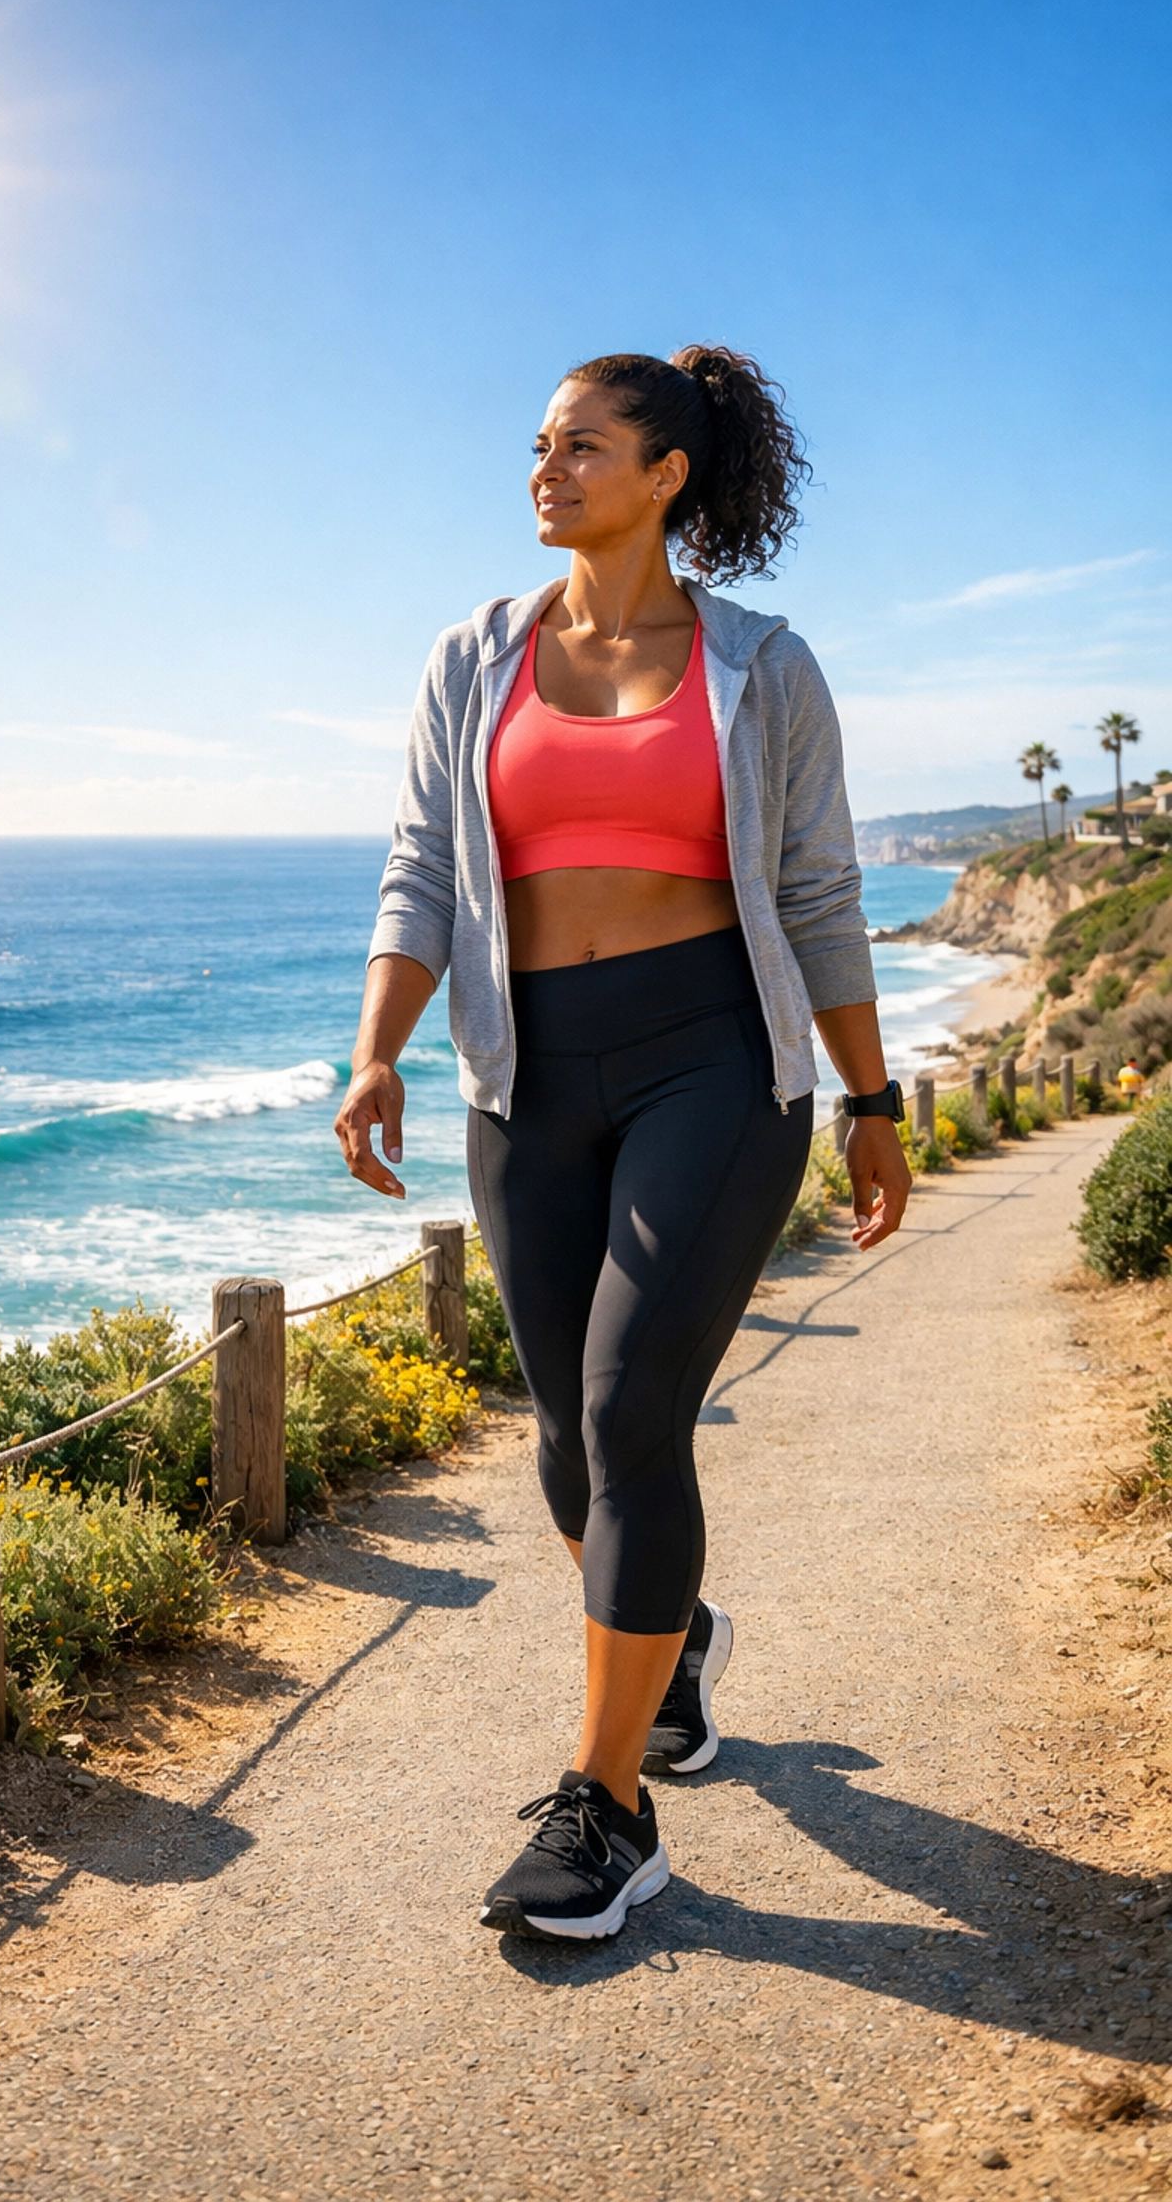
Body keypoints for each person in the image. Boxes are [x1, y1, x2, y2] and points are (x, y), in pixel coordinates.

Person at [335, 347, 910, 1942]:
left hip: (714, 1060)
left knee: (627, 1400)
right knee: (569, 1447)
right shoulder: (472, 659)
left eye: (581, 446)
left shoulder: (763, 668)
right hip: (528, 1073)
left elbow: (816, 893)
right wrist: (380, 1049)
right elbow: (417, 865)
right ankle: (673, 1648)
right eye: (537, 445)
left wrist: (871, 1102)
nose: (545, 468)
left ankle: (608, 1809)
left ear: (666, 474)